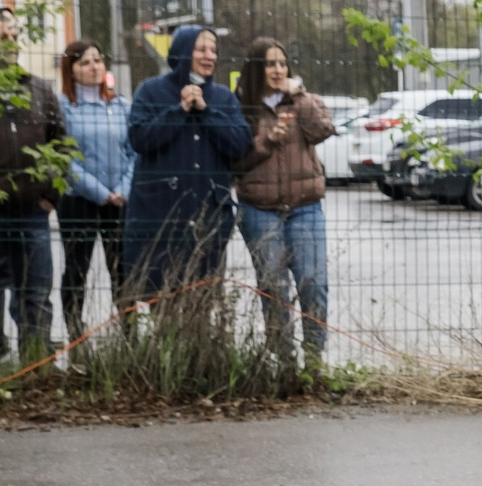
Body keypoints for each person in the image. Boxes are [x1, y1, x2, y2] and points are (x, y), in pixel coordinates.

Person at [124, 25, 250, 302]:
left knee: (203, 299)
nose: (209, 56)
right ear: (182, 51)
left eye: (214, 50)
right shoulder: (150, 91)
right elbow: (139, 139)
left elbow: (240, 144)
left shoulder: (224, 98)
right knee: (160, 299)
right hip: (161, 217)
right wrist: (179, 110)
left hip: (209, 217)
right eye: (201, 48)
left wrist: (206, 112)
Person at [231, 37, 336, 365]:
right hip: (259, 210)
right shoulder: (240, 107)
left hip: (304, 208)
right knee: (274, 289)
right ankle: (286, 364)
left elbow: (322, 129)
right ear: (255, 69)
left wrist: (298, 95)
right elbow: (234, 160)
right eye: (269, 63)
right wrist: (266, 141)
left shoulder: (304, 100)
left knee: (313, 284)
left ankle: (314, 363)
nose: (277, 69)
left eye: (281, 63)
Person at [0, 5, 66, 366]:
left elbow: (60, 144)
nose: (13, 42)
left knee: (36, 291)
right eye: (3, 37)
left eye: (15, 35)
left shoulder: (40, 90)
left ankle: (36, 364)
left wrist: (51, 196)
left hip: (32, 211)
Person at [55, 39, 131, 340]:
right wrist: (101, 193)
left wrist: (122, 189)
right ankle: (75, 335)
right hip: (79, 201)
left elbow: (133, 152)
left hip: (119, 200)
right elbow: (64, 160)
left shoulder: (120, 105)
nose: (94, 66)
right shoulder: (62, 107)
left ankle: (130, 331)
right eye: (85, 62)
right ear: (71, 70)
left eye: (98, 60)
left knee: (122, 269)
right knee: (76, 270)